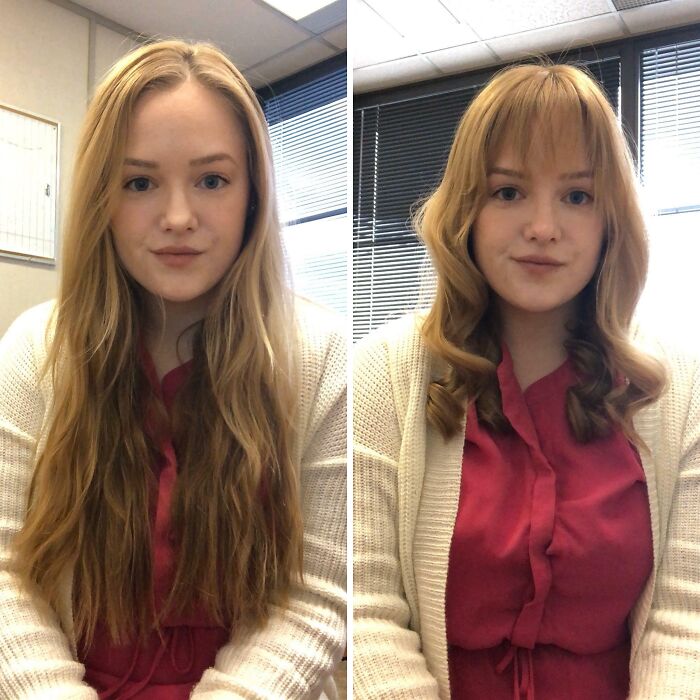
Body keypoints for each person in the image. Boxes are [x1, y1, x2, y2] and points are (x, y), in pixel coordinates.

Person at [0, 39, 346, 699]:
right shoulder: (33, 351)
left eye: (212, 180)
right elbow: (7, 577)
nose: (178, 217)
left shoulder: (321, 357)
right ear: (103, 197)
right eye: (140, 183)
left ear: (252, 195)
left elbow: (316, 597)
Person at [353, 62, 700, 699]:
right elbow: (366, 610)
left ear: (610, 221)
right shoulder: (382, 373)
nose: (543, 228)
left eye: (577, 196)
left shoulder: (679, 387)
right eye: (508, 192)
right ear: (468, 209)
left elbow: (687, 621)